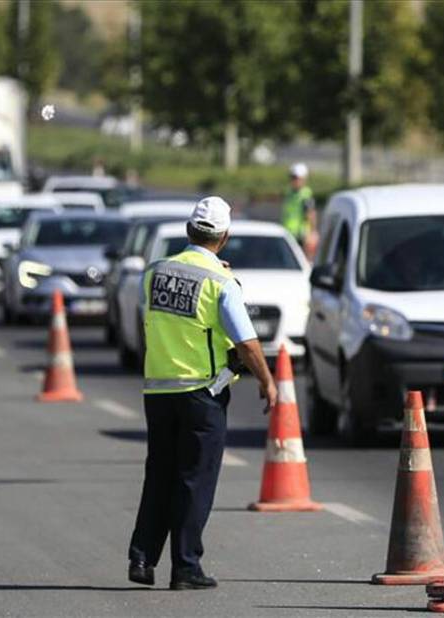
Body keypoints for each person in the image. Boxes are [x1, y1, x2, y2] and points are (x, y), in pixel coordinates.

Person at [128, 196, 278, 590]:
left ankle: (142, 559)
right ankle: (186, 566)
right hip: (201, 393)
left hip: (158, 391)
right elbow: (245, 343)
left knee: (159, 474)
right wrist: (268, 381)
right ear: (224, 237)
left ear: (188, 230)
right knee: (194, 480)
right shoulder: (221, 283)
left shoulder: (155, 273)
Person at [281, 162, 316, 247]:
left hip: (301, 235)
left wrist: (312, 232)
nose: (294, 180)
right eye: (292, 177)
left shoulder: (306, 195)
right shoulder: (289, 192)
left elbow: (310, 214)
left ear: (303, 179)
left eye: (297, 178)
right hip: (287, 233)